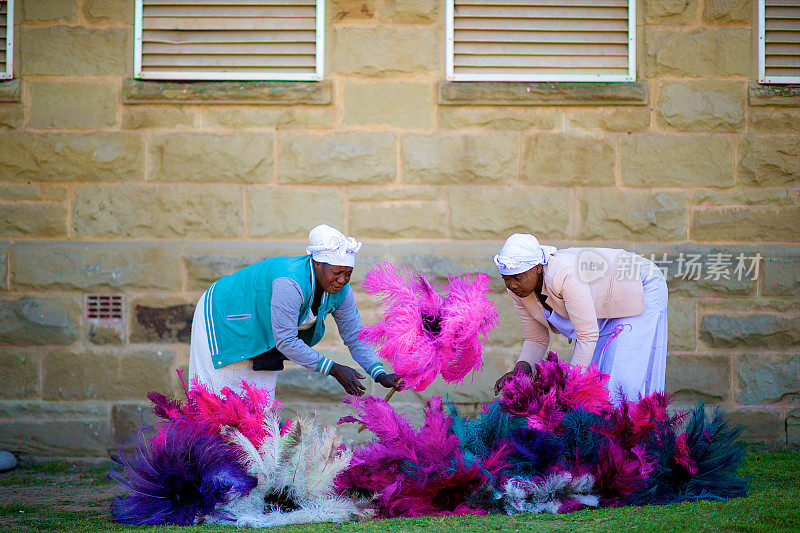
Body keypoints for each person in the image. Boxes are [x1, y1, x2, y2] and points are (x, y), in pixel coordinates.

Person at [188, 224, 399, 397]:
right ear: (317, 264)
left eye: (348, 274)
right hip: (221, 316)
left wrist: (378, 373)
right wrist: (333, 369)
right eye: (337, 272)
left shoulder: (340, 290)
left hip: (261, 331)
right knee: (216, 405)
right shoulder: (290, 282)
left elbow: (355, 335)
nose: (342, 280)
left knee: (257, 410)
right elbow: (286, 340)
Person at [492, 234, 668, 402]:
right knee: (597, 375)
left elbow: (587, 335)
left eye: (517, 277)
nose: (511, 284)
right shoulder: (518, 290)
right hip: (606, 296)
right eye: (505, 278)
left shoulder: (563, 274)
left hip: (640, 282)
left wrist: (568, 388)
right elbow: (536, 339)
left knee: (620, 378)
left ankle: (634, 430)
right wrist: (520, 370)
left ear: (538, 267)